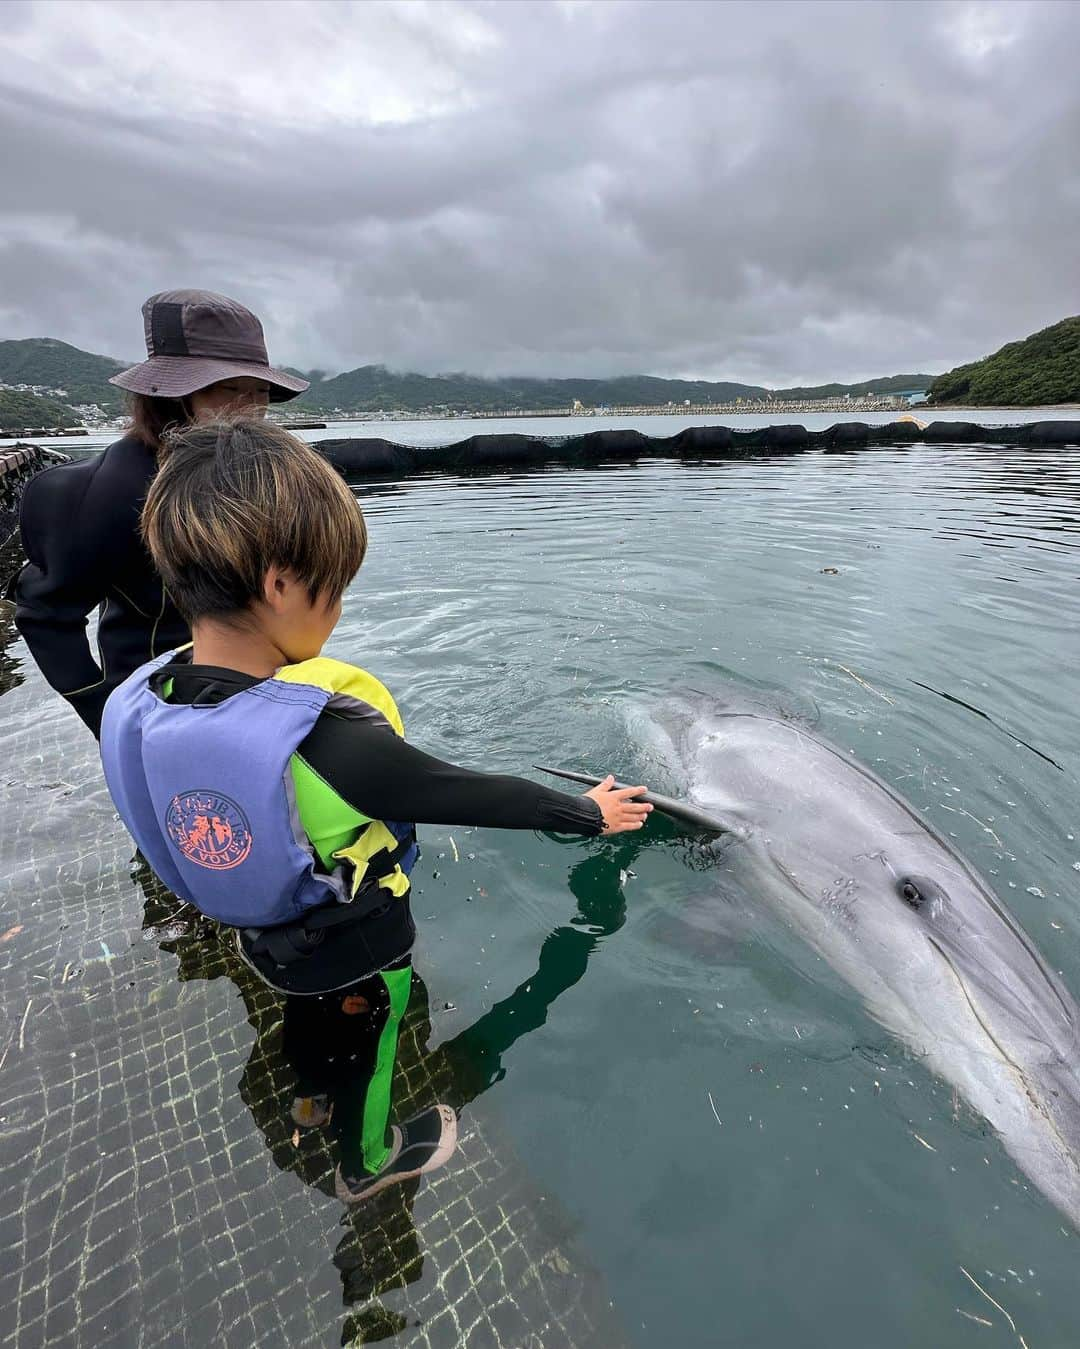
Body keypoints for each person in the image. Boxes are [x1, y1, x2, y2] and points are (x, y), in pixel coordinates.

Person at [99, 416, 652, 1203]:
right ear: (280, 584)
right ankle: (368, 1160)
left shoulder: (158, 695)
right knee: (371, 1047)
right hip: (354, 950)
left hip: (265, 939)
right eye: (333, 587)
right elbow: (464, 793)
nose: (339, 611)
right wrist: (588, 812)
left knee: (310, 1024)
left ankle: (308, 1096)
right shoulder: (326, 743)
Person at [11, 289, 308, 737]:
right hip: (159, 705)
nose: (250, 410)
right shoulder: (108, 493)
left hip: (261, 691)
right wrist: (106, 714)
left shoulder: (256, 471)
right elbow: (46, 615)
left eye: (260, 392)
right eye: (231, 390)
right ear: (172, 395)